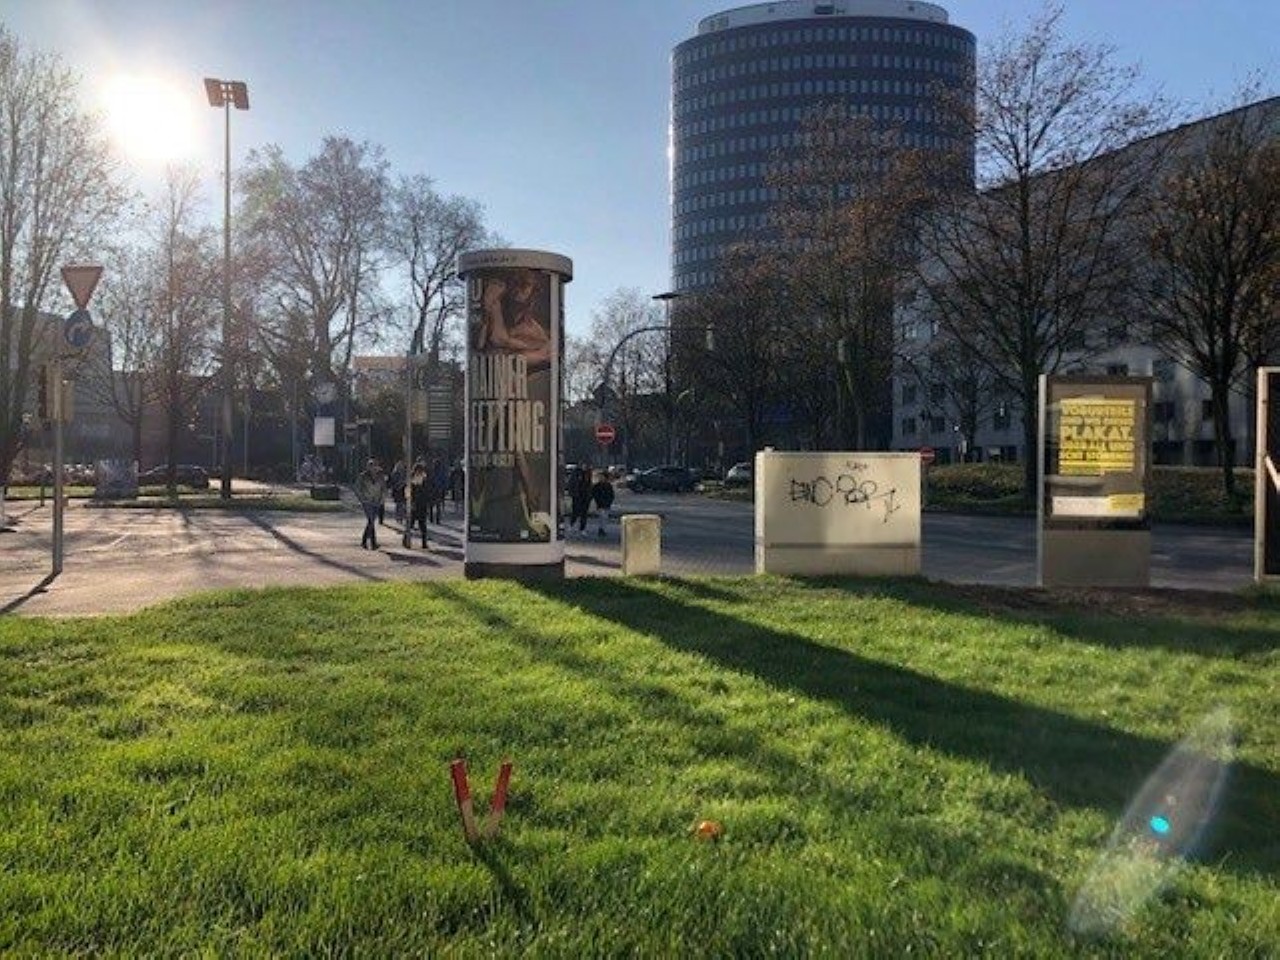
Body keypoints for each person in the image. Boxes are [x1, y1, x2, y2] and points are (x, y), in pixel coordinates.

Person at [354, 458, 386, 550]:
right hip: (367, 501)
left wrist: (382, 499)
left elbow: (384, 489)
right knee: (371, 520)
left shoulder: (380, 476)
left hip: (377, 501)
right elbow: (357, 488)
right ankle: (373, 543)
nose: (373, 467)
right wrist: (362, 498)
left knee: (371, 522)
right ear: (368, 467)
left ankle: (364, 541)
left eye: (375, 465)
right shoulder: (363, 476)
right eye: (371, 465)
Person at [404, 460, 430, 549]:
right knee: (410, 524)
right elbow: (407, 491)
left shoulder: (425, 479)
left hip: (422, 505)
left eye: (421, 471)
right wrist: (409, 501)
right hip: (414, 505)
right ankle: (406, 540)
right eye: (418, 471)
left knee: (422, 525)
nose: (419, 472)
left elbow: (427, 491)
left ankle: (424, 543)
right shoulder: (411, 480)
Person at [568, 463, 593, 535]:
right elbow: (572, 484)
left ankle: (582, 528)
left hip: (585, 496)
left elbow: (590, 484)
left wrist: (590, 495)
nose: (585, 467)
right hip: (577, 496)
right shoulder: (576, 473)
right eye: (584, 465)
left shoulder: (588, 473)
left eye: (587, 465)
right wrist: (572, 494)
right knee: (575, 511)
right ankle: (572, 525)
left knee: (584, 513)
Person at [591, 469, 615, 538]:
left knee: (605, 518)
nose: (601, 478)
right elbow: (594, 494)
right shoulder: (597, 486)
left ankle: (602, 529)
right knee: (602, 517)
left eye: (602, 477)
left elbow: (611, 495)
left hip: (607, 504)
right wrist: (598, 501)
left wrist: (609, 501)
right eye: (600, 477)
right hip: (600, 504)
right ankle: (601, 529)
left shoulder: (608, 485)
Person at [429, 455, 449, 525]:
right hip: (435, 489)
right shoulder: (433, 471)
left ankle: (435, 519)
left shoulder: (438, 471)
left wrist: (444, 488)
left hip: (437, 489)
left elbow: (444, 480)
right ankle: (433, 518)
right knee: (434, 505)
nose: (435, 465)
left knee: (436, 505)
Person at [389, 459, 407, 525]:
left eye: (402, 465)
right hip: (397, 490)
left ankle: (401, 516)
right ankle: (398, 517)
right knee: (399, 504)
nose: (401, 466)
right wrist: (398, 485)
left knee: (402, 504)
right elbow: (392, 482)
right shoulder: (395, 473)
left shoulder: (405, 472)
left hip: (403, 490)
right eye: (400, 465)